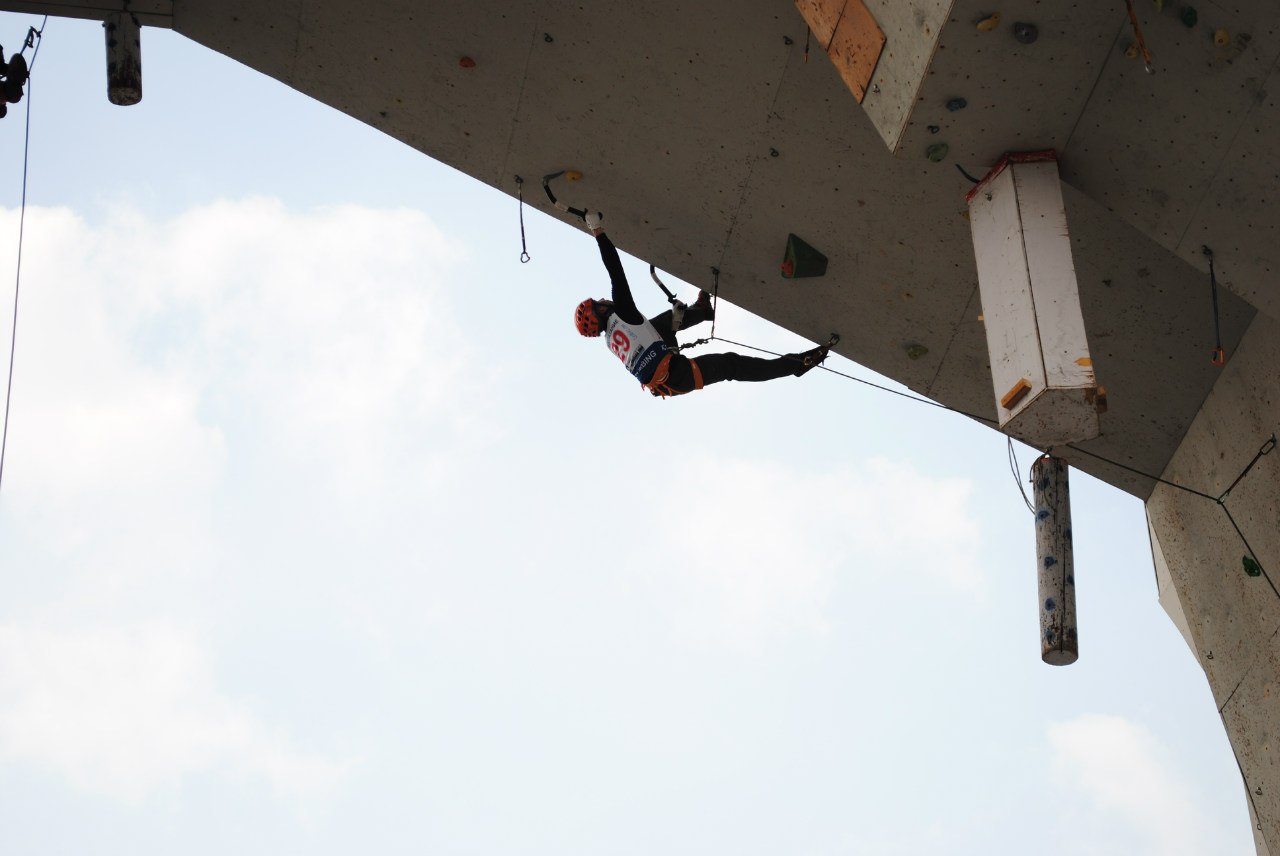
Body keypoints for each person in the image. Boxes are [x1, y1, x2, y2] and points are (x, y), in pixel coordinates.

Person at [574, 212, 835, 397]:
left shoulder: (612, 339)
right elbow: (615, 271)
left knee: (661, 323)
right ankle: (797, 365)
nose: (603, 299)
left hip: (664, 369)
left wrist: (674, 325)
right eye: (599, 302)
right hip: (677, 376)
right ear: (602, 311)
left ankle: (702, 311)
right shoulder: (623, 313)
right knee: (731, 365)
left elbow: (647, 339)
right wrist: (597, 231)